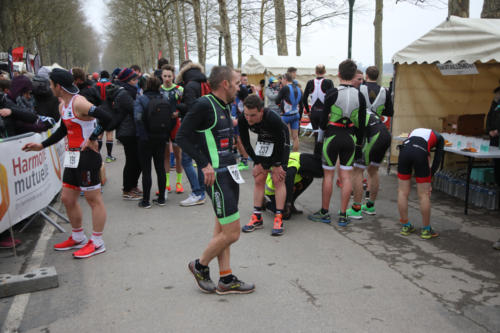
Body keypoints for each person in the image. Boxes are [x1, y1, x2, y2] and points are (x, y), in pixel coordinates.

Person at [177, 65, 255, 295]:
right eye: (237, 83)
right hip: (217, 176)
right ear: (225, 84)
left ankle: (226, 279)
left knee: (222, 231)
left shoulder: (225, 104)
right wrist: (204, 164)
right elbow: (182, 136)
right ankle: (199, 265)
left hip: (230, 171)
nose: (239, 87)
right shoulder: (204, 104)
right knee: (232, 233)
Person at [22, 68, 112, 258]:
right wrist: (42, 145)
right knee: (67, 198)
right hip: (72, 157)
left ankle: (97, 242)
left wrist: (93, 136)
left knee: (93, 200)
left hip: (87, 157)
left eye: (51, 84)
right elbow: (63, 130)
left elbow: (107, 118)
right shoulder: (64, 105)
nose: (49, 88)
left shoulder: (79, 103)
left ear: (58, 86)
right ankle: (78, 236)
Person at [308, 59, 366, 226]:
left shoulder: (332, 93)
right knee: (346, 176)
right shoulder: (360, 96)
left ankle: (325, 212)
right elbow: (361, 125)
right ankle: (342, 215)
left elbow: (323, 123)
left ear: (339, 74)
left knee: (329, 175)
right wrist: (359, 145)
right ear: (354, 75)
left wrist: (319, 141)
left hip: (332, 136)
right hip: (350, 138)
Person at [239, 95, 290, 236]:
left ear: (261, 111)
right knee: (259, 178)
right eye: (246, 114)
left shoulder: (272, 118)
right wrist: (257, 163)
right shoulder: (243, 118)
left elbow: (280, 142)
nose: (249, 119)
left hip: (280, 142)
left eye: (253, 115)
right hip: (264, 142)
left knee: (278, 178)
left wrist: (278, 164)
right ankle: (257, 217)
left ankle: (279, 217)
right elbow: (245, 142)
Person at [347, 66, 393, 219]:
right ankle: (370, 206)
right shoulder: (384, 91)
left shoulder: (360, 90)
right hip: (383, 131)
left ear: (366, 76)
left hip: (369, 133)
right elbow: (390, 112)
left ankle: (356, 208)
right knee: (373, 170)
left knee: (358, 170)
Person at [397, 128, 443, 239]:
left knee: (402, 192)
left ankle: (405, 226)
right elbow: (437, 160)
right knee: (423, 194)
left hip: (404, 151)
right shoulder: (439, 138)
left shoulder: (413, 132)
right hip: (420, 153)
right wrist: (429, 178)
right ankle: (426, 230)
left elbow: (411, 147)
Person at [134, 76, 170, 208]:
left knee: (146, 169)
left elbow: (137, 118)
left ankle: (146, 201)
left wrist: (143, 135)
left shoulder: (141, 99)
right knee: (160, 167)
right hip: (161, 137)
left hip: (145, 139)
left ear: (146, 85)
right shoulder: (164, 99)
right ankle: (161, 198)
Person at [175, 61, 208, 206]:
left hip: (192, 128)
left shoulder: (189, 86)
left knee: (186, 160)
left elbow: (190, 108)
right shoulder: (205, 83)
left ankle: (197, 192)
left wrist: (177, 105)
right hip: (206, 127)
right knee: (201, 160)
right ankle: (202, 191)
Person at [112, 68, 142, 200]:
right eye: (134, 79)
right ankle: (127, 189)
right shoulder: (124, 94)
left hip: (132, 130)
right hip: (127, 131)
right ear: (128, 80)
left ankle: (133, 186)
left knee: (137, 160)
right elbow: (135, 109)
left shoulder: (130, 91)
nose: (137, 81)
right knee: (132, 161)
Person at [265, 152, 323, 220]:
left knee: (309, 179)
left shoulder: (303, 159)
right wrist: (288, 204)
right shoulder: (293, 166)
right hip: (273, 190)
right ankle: (265, 203)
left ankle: (290, 204)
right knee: (284, 214)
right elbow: (288, 181)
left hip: (284, 185)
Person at [160, 64, 185, 193]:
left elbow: (185, 106)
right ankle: (167, 183)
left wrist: (179, 113)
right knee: (165, 156)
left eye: (169, 76)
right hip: (163, 126)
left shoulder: (180, 89)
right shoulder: (159, 89)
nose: (167, 78)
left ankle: (179, 183)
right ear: (161, 76)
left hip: (176, 125)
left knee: (178, 155)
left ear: (173, 76)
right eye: (165, 76)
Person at [302, 64, 334, 155]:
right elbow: (332, 98)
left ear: (315, 72)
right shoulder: (329, 82)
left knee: (316, 136)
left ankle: (316, 157)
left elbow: (304, 98)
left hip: (314, 113)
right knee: (324, 136)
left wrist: (308, 112)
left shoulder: (310, 82)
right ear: (325, 72)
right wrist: (330, 112)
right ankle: (324, 157)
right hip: (324, 113)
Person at [277, 73, 303, 152]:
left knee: (283, 136)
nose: (281, 82)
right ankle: (294, 157)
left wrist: (281, 107)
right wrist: (300, 117)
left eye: (282, 80)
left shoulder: (285, 88)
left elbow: (277, 100)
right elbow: (301, 105)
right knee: (295, 137)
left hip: (286, 116)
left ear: (285, 79)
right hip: (296, 115)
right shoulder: (299, 89)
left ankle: (283, 156)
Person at [95, 70, 116, 162]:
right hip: (109, 111)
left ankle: (98, 156)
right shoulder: (111, 85)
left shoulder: (95, 85)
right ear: (108, 77)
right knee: (109, 133)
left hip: (99, 111)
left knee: (99, 134)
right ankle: (109, 156)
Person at [486, 85, 500, 186]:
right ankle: (497, 182)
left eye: (498, 94)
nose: (496, 96)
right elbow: (489, 117)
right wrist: (489, 130)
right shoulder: (494, 104)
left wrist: (498, 130)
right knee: (496, 162)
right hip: (494, 137)